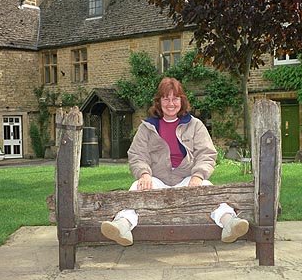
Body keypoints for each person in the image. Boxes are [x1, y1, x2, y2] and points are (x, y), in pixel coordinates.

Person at [101, 77, 249, 246]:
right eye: (166, 98)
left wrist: (198, 176)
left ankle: (230, 223)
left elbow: (206, 154)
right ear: (159, 102)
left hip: (187, 179)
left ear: (182, 101)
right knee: (136, 188)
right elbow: (137, 155)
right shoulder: (147, 128)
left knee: (208, 189)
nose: (170, 103)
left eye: (175, 98)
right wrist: (144, 174)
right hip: (156, 180)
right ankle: (122, 227)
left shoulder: (195, 125)